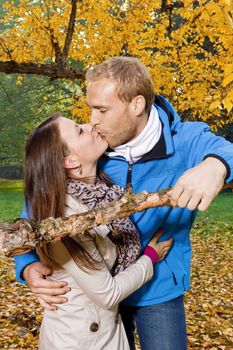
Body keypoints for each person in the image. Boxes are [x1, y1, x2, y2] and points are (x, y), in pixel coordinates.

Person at [15, 57, 233, 350]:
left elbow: (224, 150)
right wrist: (28, 266)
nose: (93, 120)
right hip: (101, 298)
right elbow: (37, 211)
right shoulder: (93, 147)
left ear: (136, 105)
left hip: (158, 289)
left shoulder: (183, 140)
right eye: (91, 109)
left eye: (102, 110)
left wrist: (216, 167)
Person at [22, 113, 173, 350]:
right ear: (70, 161)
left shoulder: (102, 192)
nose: (89, 124)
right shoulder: (65, 220)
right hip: (80, 340)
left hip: (104, 331)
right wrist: (151, 258)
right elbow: (107, 294)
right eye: (79, 131)